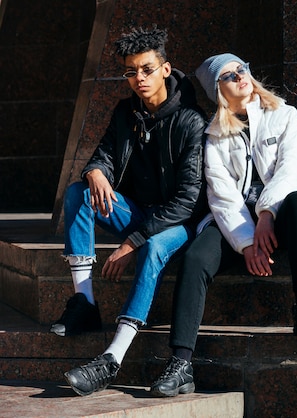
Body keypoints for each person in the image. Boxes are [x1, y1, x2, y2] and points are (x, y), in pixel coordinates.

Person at [148, 53, 297, 397]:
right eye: (229, 76)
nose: (240, 76)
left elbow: (292, 171)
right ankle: (181, 362)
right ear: (218, 89)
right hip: (239, 224)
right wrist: (247, 242)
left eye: (242, 68)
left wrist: (267, 215)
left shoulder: (284, 115)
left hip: (283, 214)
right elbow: (222, 196)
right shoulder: (214, 135)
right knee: (196, 257)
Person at [52, 26, 206, 397]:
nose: (139, 78)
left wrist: (133, 242)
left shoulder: (191, 121)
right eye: (131, 72)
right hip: (139, 213)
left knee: (152, 249)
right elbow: (104, 153)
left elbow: (188, 200)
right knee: (79, 193)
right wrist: (95, 172)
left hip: (179, 223)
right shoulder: (126, 111)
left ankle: (111, 360)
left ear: (166, 69)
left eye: (147, 69)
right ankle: (85, 302)